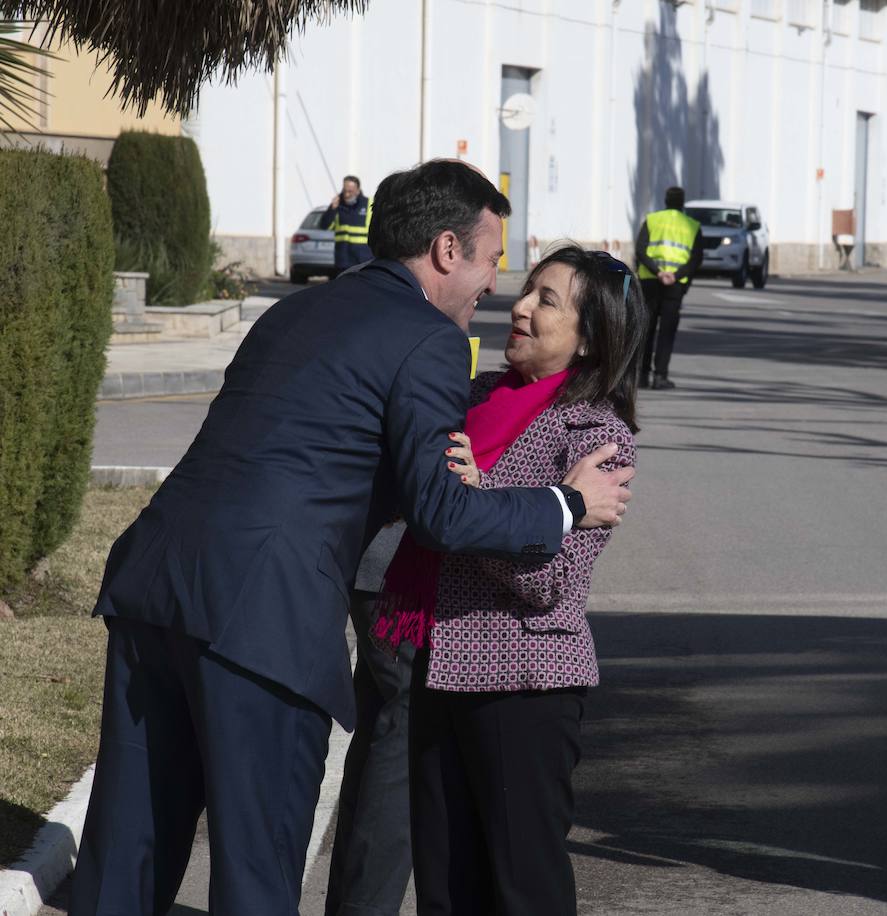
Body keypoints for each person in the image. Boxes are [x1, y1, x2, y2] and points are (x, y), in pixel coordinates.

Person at [69, 160, 634, 915]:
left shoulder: (296, 312)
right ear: (444, 251)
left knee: (125, 860)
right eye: (493, 262)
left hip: (155, 586)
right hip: (260, 620)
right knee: (257, 872)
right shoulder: (428, 340)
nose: (496, 290)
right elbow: (441, 511)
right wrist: (564, 504)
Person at [368, 242, 644, 915]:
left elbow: (551, 580)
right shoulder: (478, 398)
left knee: (523, 889)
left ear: (588, 340)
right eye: (527, 290)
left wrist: (473, 500)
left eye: (546, 301)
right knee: (445, 882)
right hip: (436, 666)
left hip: (525, 686)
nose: (518, 307)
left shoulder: (596, 437)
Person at [322, 524, 411, 916]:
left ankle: (350, 904)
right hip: (405, 565)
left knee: (383, 722)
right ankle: (363, 908)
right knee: (407, 732)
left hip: (377, 559)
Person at [635, 185, 703, 390]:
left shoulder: (652, 220)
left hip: (650, 282)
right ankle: (660, 376)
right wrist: (675, 275)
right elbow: (696, 258)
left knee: (646, 329)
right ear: (682, 203)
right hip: (675, 285)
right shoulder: (692, 225)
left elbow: (641, 250)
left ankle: (642, 376)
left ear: (665, 200)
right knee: (667, 331)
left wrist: (657, 272)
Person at [323, 174, 374, 272]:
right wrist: (332, 209)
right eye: (345, 191)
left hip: (363, 261)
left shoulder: (368, 204)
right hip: (343, 261)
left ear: (358, 190)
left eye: (350, 191)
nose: (346, 194)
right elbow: (325, 226)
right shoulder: (337, 205)